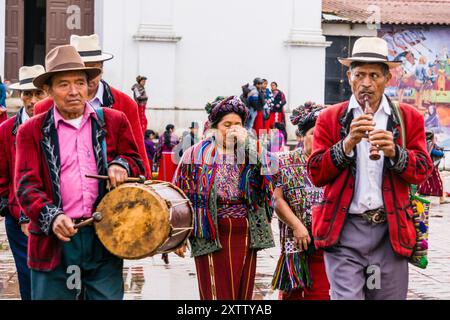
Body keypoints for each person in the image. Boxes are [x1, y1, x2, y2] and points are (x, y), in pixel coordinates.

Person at [15, 45, 145, 300]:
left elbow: (137, 162)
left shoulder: (113, 120)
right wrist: (52, 217)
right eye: (63, 84)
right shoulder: (31, 131)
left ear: (89, 86)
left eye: (79, 83)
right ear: (48, 91)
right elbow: (26, 186)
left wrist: (121, 164)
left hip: (104, 236)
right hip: (54, 240)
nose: (74, 91)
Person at [307, 37, 433, 300]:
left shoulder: (408, 118)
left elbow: (422, 171)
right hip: (344, 233)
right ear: (349, 76)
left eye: (374, 75)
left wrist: (395, 153)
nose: (366, 83)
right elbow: (316, 174)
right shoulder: (330, 118)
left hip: (390, 232)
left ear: (387, 78)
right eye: (360, 74)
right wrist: (347, 143)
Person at [173, 96, 275, 300]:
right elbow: (179, 194)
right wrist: (178, 237)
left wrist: (248, 144)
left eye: (237, 124)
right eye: (226, 124)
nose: (232, 129)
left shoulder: (250, 152)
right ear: (214, 127)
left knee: (242, 292)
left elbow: (271, 173)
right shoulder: (194, 155)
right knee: (216, 291)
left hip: (245, 230)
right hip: (210, 231)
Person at [33, 34, 151, 179]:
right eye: (82, 69)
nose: (87, 78)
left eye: (92, 69)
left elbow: (138, 156)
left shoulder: (125, 104)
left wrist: (122, 165)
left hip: (111, 194)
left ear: (101, 69)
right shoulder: (43, 108)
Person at [271, 102, 330, 300]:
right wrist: (296, 225)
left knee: (320, 294)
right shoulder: (283, 161)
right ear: (301, 136)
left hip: (324, 242)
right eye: (314, 133)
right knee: (291, 295)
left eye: (323, 133)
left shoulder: (332, 164)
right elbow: (277, 199)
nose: (319, 138)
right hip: (293, 243)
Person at [0, 65, 48, 300]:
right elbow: (1, 177)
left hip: (54, 217)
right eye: (27, 93)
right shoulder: (5, 130)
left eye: (38, 93)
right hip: (20, 222)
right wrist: (10, 207)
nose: (32, 99)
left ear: (47, 93)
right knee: (27, 279)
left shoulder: (57, 126)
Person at [417, 131, 449, 204]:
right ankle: (441, 199)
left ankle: (417, 196)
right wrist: (441, 153)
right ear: (431, 137)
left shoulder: (424, 144)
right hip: (431, 168)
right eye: (434, 137)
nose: (435, 139)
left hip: (427, 167)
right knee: (438, 182)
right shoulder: (429, 144)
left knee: (424, 183)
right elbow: (435, 152)